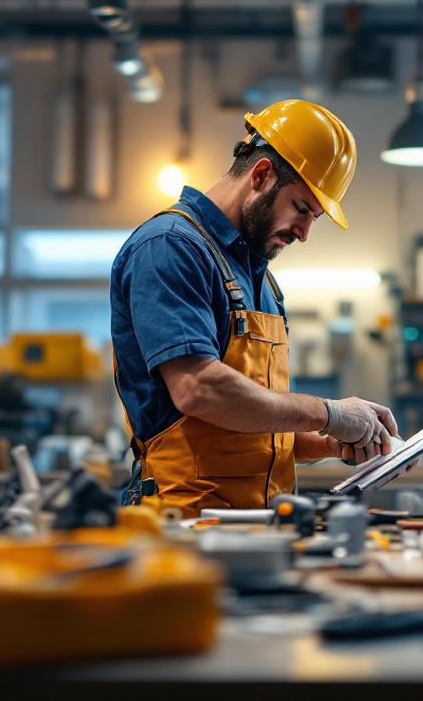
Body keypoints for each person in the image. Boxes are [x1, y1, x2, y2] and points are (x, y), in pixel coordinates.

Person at [110, 99, 398, 516]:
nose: (303, 233)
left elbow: (260, 425)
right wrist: (331, 413)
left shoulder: (261, 279)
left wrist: (335, 442)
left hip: (258, 524)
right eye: (301, 209)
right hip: (184, 524)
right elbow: (199, 390)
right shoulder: (170, 247)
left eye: (314, 217)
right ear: (261, 175)